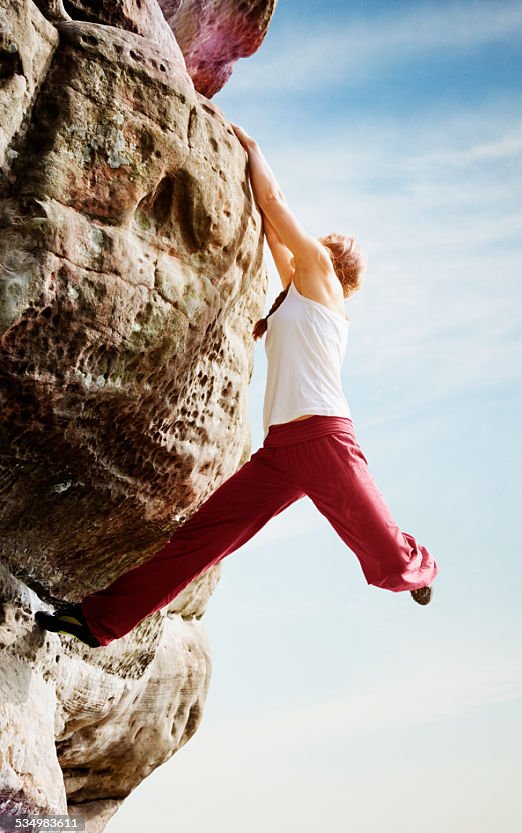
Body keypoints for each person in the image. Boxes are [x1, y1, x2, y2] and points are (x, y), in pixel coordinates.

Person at [36, 124, 437, 649]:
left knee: (386, 558)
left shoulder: (321, 279)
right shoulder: (298, 291)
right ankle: (97, 621)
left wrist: (252, 148)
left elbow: (274, 204)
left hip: (322, 437)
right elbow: (274, 233)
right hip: (282, 453)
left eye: (325, 241)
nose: (314, 241)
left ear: (335, 262)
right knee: (198, 541)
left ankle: (422, 569)